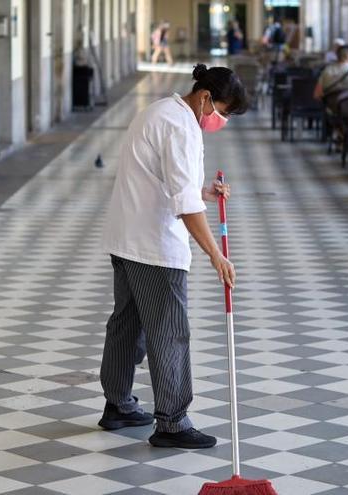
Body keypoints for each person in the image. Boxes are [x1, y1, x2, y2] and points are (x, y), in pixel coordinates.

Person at [100, 64, 248, 449]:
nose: (221, 121)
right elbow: (181, 203)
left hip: (127, 238)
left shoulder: (159, 111)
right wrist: (216, 254)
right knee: (169, 333)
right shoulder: (180, 126)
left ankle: (117, 404)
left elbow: (163, 180)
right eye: (223, 112)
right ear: (205, 98)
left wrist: (205, 193)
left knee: (127, 325)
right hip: (153, 247)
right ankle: (172, 422)